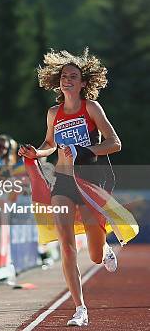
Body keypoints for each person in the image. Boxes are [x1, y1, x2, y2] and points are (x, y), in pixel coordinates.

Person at [18, 49, 121, 327]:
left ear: (83, 82)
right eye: (64, 76)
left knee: (95, 255)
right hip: (63, 182)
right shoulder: (54, 113)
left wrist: (82, 150)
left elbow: (114, 143)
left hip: (90, 181)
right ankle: (80, 309)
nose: (68, 80)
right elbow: (49, 144)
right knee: (67, 247)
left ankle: (105, 248)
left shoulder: (91, 108)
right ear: (58, 81)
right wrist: (35, 153)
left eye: (73, 76)